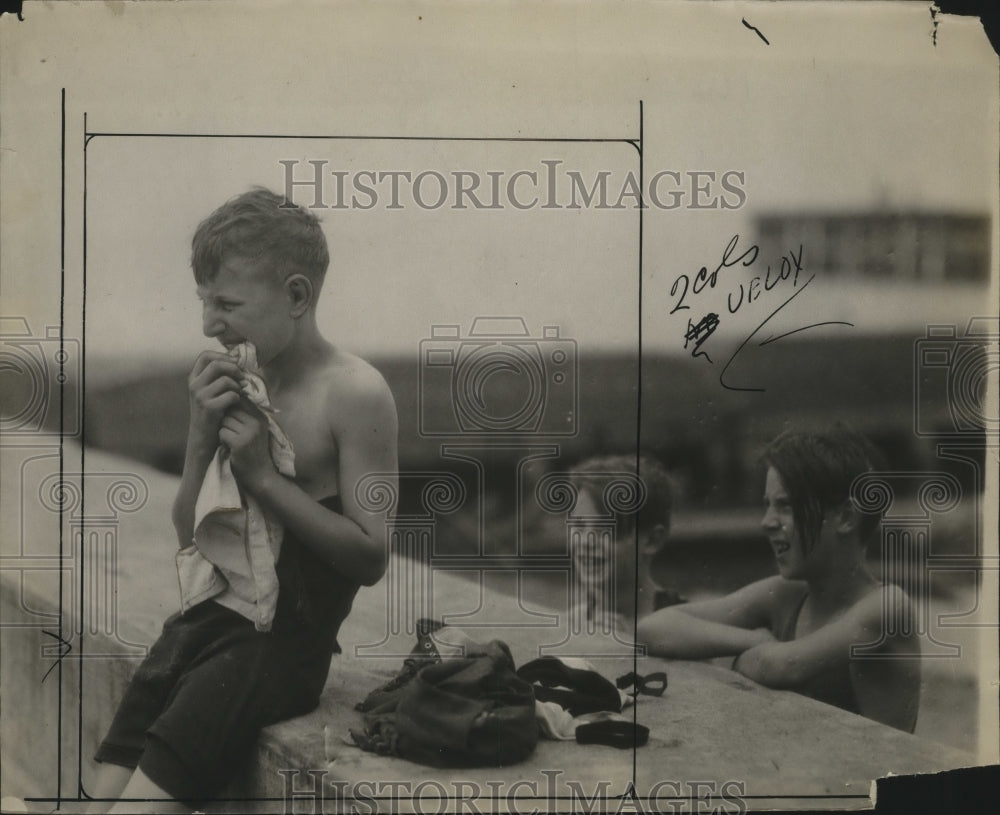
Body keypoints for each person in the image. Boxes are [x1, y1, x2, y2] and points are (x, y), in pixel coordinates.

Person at [89, 188, 398, 812]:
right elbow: (189, 536)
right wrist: (200, 439)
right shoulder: (245, 384)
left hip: (275, 654)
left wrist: (261, 478)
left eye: (226, 303)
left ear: (296, 296)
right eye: (203, 302)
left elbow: (371, 557)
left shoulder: (355, 394)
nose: (208, 324)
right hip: (202, 629)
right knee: (101, 798)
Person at [635, 428, 921, 732]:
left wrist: (746, 655)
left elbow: (781, 665)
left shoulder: (887, 607)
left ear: (846, 517)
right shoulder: (787, 595)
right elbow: (653, 628)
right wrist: (752, 640)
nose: (767, 521)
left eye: (785, 506)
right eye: (767, 504)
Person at [566, 453, 675, 636]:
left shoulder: (681, 628)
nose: (586, 541)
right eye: (579, 526)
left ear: (652, 540)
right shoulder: (575, 621)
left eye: (605, 530)